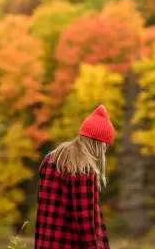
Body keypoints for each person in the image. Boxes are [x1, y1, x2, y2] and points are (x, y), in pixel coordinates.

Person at [34, 105, 115, 249]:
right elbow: (85, 223)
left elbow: (43, 213)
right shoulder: (84, 169)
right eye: (105, 144)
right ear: (98, 143)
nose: (105, 149)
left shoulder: (51, 159)